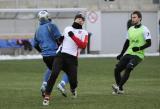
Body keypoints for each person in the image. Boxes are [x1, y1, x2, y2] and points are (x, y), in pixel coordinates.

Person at [42, 13, 89, 106]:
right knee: (54, 74)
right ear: (75, 19)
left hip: (72, 59)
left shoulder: (84, 32)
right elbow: (61, 42)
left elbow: (83, 45)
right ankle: (47, 96)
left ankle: (73, 89)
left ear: (83, 22)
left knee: (73, 81)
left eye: (82, 19)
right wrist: (59, 40)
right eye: (79, 18)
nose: (80, 20)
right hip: (60, 56)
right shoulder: (67, 28)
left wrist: (73, 37)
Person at [112, 11, 152, 94]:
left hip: (138, 55)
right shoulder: (130, 29)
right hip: (129, 53)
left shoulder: (145, 29)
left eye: (134, 17)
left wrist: (139, 48)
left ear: (139, 18)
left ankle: (118, 87)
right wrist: (121, 54)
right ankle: (120, 89)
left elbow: (149, 43)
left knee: (129, 67)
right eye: (132, 17)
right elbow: (127, 43)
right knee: (117, 69)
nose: (132, 19)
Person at [33, 10, 65, 97]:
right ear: (48, 17)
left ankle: (44, 84)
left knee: (50, 69)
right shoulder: (52, 26)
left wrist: (42, 51)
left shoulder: (38, 30)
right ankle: (61, 85)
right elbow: (59, 39)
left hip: (45, 56)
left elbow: (35, 44)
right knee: (69, 69)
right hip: (54, 53)